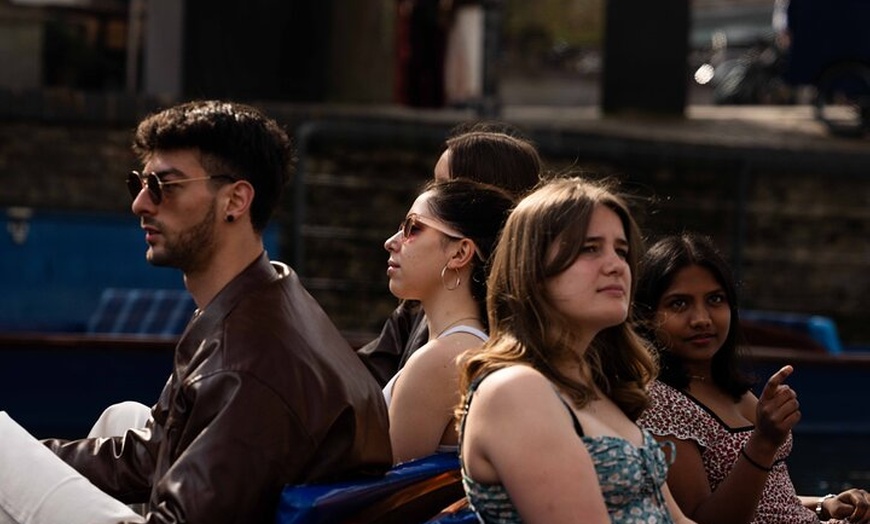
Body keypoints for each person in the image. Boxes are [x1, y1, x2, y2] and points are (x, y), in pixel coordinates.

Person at [0, 100, 392, 524]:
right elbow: (148, 459)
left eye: (164, 186)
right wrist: (35, 459)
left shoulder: (246, 364)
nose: (140, 205)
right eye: (141, 184)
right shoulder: (264, 291)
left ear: (235, 200)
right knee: (119, 418)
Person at [457, 176, 696, 523]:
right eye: (590, 248)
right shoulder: (515, 391)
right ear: (534, 269)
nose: (617, 265)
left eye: (622, 251)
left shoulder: (600, 386)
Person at [634, 232, 870, 524]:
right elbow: (702, 519)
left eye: (715, 300)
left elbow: (769, 499)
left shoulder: (729, 388)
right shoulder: (661, 403)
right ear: (648, 315)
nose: (702, 319)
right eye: (679, 304)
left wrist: (826, 504)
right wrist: (763, 443)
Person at [357, 124, 542, 386]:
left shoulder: (531, 321)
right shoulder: (418, 307)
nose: (430, 194)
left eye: (444, 185)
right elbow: (364, 379)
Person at [383, 178, 514, 463]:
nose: (390, 242)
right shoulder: (468, 346)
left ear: (460, 252)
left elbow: (386, 495)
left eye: (412, 228)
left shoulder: (442, 359)